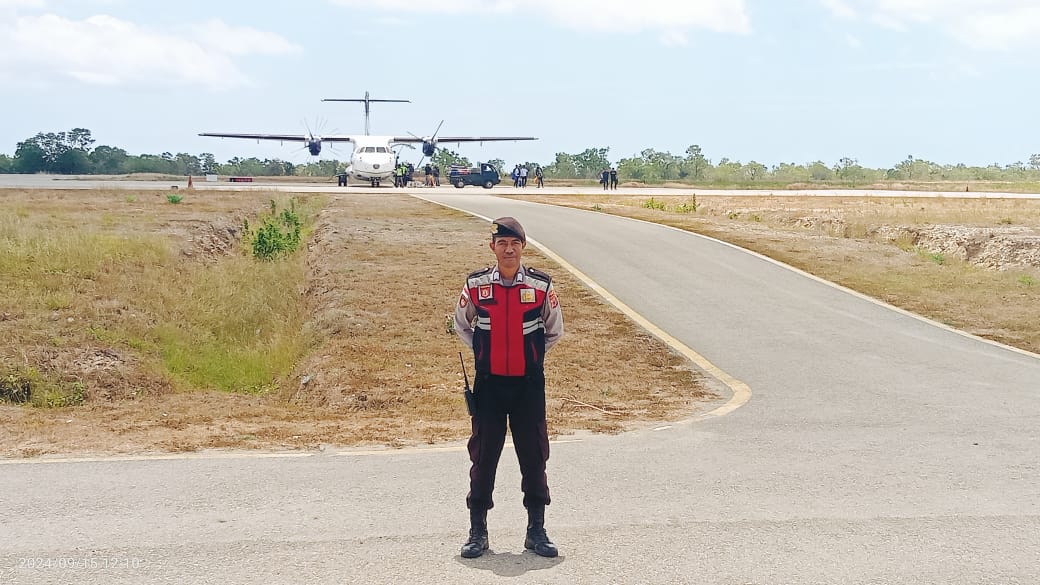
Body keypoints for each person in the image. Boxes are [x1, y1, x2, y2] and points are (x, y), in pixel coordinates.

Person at [453, 217, 564, 560]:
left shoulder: (541, 286)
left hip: (528, 386)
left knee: (533, 456)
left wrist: (530, 357)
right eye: (502, 243)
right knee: (484, 456)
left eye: (515, 243)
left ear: (523, 247)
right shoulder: (475, 285)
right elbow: (462, 325)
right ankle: (477, 531)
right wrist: (484, 354)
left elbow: (553, 331)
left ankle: (536, 530)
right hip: (489, 385)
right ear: (493, 247)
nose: (509, 249)